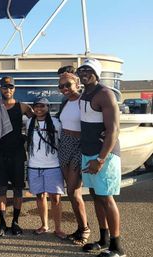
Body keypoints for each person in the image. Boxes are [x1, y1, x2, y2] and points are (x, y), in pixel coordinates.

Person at [77, 59, 125, 257]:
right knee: (96, 196)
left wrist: (101, 159)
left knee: (107, 198)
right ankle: (103, 239)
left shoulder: (105, 94)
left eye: (88, 70)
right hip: (88, 153)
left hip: (103, 155)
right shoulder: (84, 93)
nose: (84, 73)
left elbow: (113, 130)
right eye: (82, 70)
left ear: (97, 73)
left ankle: (117, 247)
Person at [0, 76, 33, 237]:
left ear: (14, 89)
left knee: (18, 190)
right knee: (1, 189)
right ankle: (2, 222)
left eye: (10, 87)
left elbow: (37, 120)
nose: (8, 90)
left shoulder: (22, 106)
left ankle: (15, 222)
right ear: (0, 88)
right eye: (4, 87)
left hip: (17, 153)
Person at [56, 71, 91, 245]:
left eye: (67, 85)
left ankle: (85, 228)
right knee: (71, 191)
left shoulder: (84, 101)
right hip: (65, 144)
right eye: (61, 86)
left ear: (77, 83)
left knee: (73, 191)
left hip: (79, 145)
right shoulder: (64, 102)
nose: (64, 89)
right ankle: (80, 227)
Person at [26, 97, 65, 239]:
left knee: (55, 198)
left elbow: (61, 141)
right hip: (34, 165)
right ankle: (44, 225)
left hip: (53, 165)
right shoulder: (30, 122)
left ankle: (58, 228)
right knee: (40, 196)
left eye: (42, 106)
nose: (39, 109)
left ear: (48, 107)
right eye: (36, 106)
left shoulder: (56, 123)